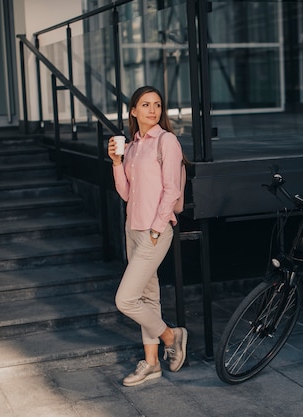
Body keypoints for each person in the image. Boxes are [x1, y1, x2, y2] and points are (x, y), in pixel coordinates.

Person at [107, 85, 188, 387]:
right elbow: (127, 193)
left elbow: (172, 190)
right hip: (133, 228)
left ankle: (171, 336)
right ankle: (152, 363)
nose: (153, 110)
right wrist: (117, 162)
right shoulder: (133, 146)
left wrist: (156, 228)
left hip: (156, 230)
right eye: (145, 105)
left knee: (125, 299)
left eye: (157, 105)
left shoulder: (166, 141)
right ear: (133, 111)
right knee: (147, 296)